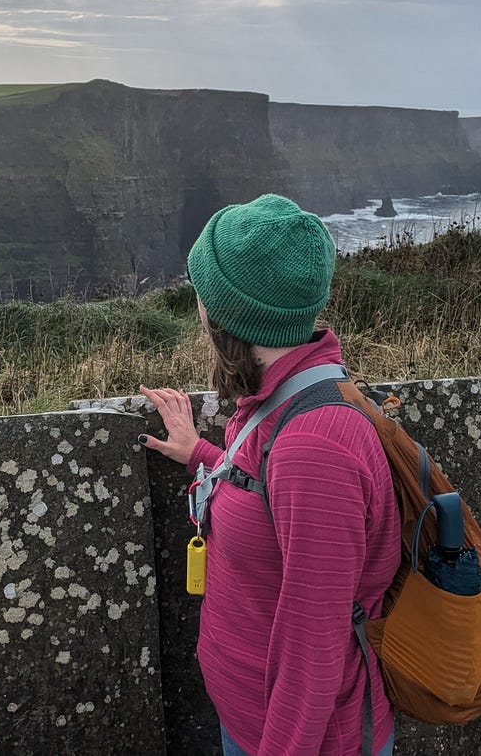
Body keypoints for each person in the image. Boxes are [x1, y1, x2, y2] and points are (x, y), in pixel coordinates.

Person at [140, 193, 401, 756]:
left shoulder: (314, 447)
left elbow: (314, 653)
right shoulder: (281, 399)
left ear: (231, 313)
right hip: (251, 719)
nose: (200, 308)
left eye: (204, 294)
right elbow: (265, 498)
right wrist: (201, 456)